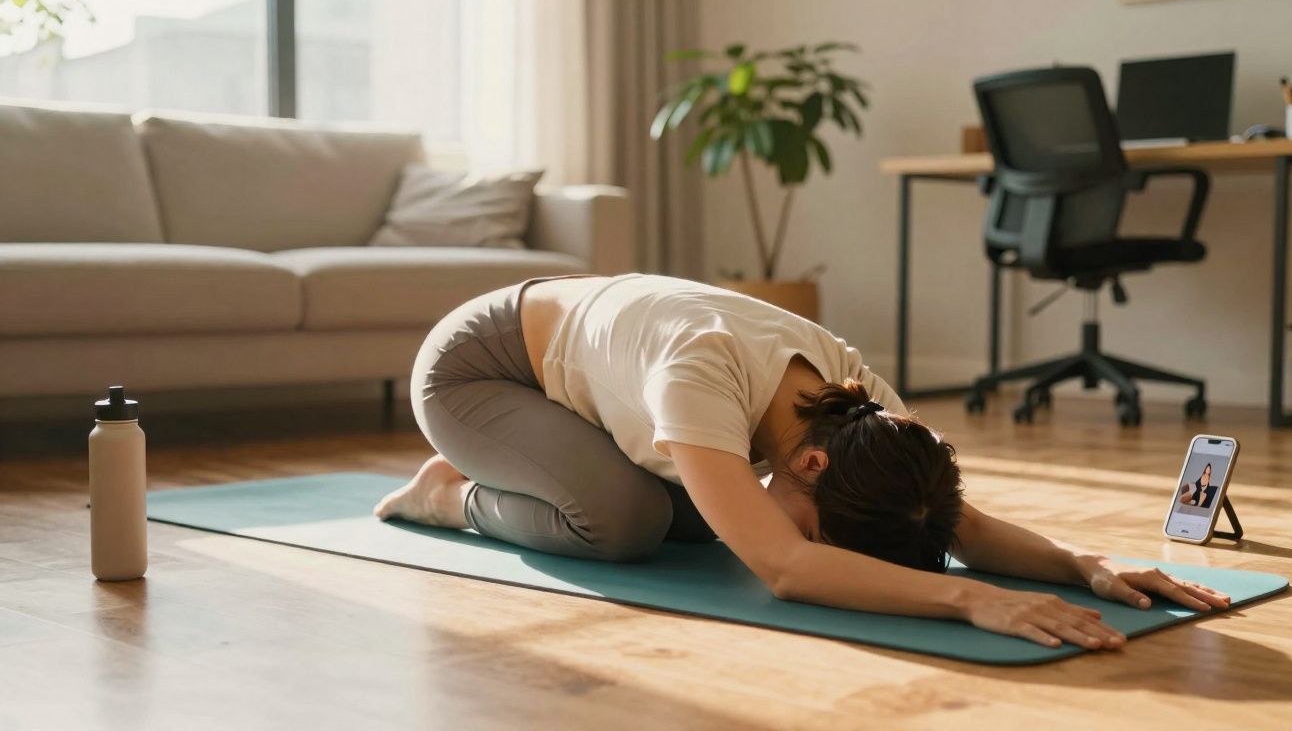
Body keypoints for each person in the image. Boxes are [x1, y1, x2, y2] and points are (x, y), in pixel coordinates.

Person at [375, 273, 1230, 650]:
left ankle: (535, 470)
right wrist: (972, 599)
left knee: (700, 522)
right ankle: (448, 494)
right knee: (630, 525)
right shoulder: (703, 374)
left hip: (593, 391)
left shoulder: (858, 404)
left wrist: (1082, 565)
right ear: (814, 468)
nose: (824, 543)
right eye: (830, 531)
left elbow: (945, 515)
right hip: (478, 372)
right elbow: (783, 566)